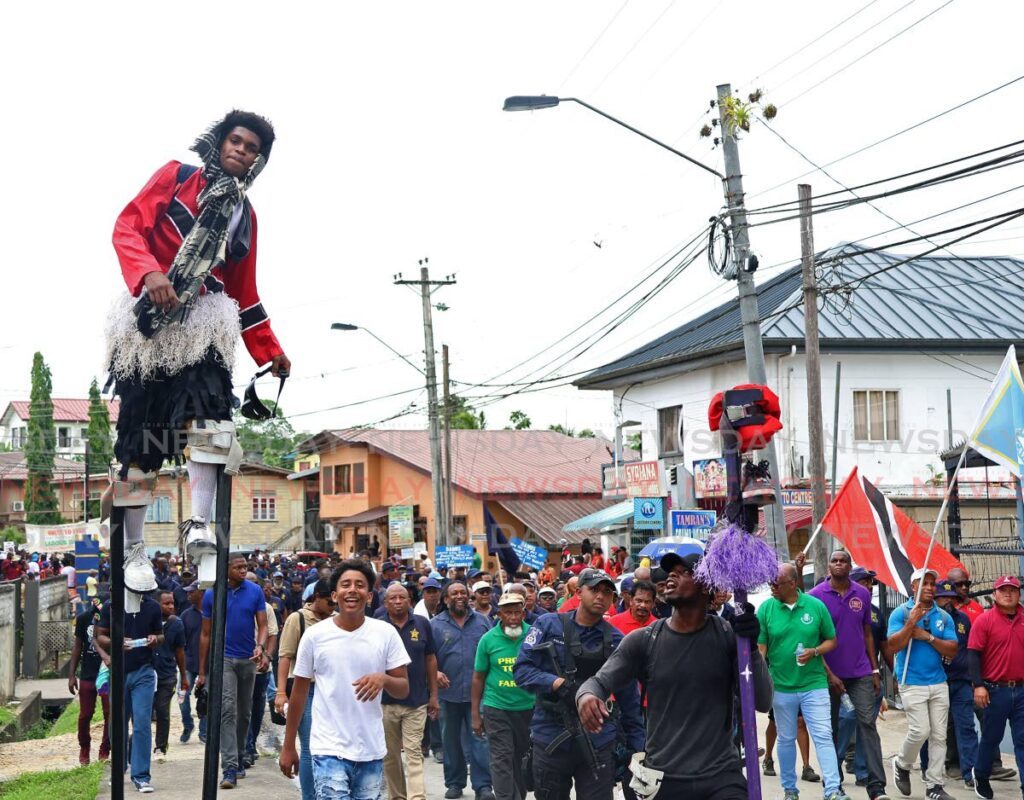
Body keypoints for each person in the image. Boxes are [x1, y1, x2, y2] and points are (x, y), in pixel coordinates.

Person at [106, 110, 289, 596]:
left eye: (252, 148)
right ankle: (134, 549)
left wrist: (270, 350)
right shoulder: (176, 176)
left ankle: (201, 526)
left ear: (257, 161)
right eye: (236, 140)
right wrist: (150, 274)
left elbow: (243, 291)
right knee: (141, 444)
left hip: (203, 324)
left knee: (212, 421)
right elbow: (128, 227)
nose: (241, 150)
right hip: (148, 322)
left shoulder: (244, 215)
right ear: (220, 140)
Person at [577, 551, 773, 799]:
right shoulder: (645, 640)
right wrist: (586, 696)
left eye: (685, 572)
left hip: (721, 777)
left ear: (706, 587)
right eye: (671, 572)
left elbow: (763, 700)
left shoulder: (727, 636)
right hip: (664, 779)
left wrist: (751, 648)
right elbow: (598, 682)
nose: (672, 576)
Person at [279, 560, 411, 800]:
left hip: (370, 750)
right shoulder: (314, 636)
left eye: (359, 585)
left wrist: (384, 679)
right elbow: (298, 695)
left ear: (369, 596)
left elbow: (403, 688)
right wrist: (289, 746)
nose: (352, 590)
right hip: (327, 748)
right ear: (334, 595)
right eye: (345, 585)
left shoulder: (385, 633)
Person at [514, 568, 645, 800]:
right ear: (577, 591)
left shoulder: (616, 641)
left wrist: (637, 748)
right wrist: (557, 684)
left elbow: (630, 700)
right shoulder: (548, 625)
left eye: (607, 592)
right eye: (594, 589)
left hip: (598, 740)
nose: (600, 596)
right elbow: (522, 671)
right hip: (550, 735)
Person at [757, 561, 846, 800]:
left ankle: (833, 790)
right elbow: (761, 647)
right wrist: (756, 674)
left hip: (814, 684)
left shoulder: (816, 606)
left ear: (793, 583)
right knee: (786, 738)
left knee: (823, 735)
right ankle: (790, 790)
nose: (772, 587)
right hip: (781, 687)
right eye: (770, 583)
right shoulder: (766, 609)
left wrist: (815, 651)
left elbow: (832, 640)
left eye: (776, 583)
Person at [805, 550, 888, 800]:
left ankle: (877, 788)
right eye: (835, 560)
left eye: (843, 561)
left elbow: (867, 634)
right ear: (829, 566)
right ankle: (834, 784)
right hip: (826, 674)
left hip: (861, 672)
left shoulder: (862, 593)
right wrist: (829, 673)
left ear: (850, 566)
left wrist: (875, 669)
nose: (839, 564)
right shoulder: (815, 597)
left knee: (867, 725)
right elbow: (813, 639)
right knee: (830, 730)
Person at [196, 554, 269, 789]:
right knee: (227, 711)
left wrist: (260, 646)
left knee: (244, 713)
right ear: (225, 569)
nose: (242, 570)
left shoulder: (255, 591)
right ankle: (228, 767)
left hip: (248, 658)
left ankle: (238, 757)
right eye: (237, 567)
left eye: (245, 567)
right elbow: (206, 634)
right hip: (224, 659)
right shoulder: (212, 594)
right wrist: (202, 671)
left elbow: (264, 625)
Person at [885, 567, 958, 800]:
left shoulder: (943, 616)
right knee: (920, 731)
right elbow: (893, 646)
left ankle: (934, 786)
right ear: (913, 587)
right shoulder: (901, 613)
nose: (928, 587)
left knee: (939, 736)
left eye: (931, 583)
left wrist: (927, 636)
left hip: (938, 681)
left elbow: (952, 649)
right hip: (911, 680)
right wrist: (910, 624)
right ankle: (902, 763)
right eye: (923, 583)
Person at [431, 582, 495, 800]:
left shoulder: (483, 622)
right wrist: (435, 673)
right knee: (450, 741)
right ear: (446, 599)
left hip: (479, 694)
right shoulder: (435, 625)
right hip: (447, 694)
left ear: (469, 597)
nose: (459, 596)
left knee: (480, 738)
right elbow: (427, 657)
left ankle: (483, 785)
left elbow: (492, 653)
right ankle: (455, 783)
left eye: (462, 593)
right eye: (454, 593)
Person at [95, 591, 164, 793]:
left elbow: (161, 635)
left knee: (142, 721)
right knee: (118, 723)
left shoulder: (152, 607)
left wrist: (155, 639)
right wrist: (115, 642)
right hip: (118, 671)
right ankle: (119, 769)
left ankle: (141, 775)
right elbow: (100, 636)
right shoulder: (111, 606)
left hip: (144, 670)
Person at [276, 579, 336, 800]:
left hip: (329, 691)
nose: (333, 606)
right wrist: (281, 692)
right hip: (305, 691)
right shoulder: (298, 619)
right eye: (329, 602)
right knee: (311, 749)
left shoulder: (335, 620)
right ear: (317, 597)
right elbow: (285, 656)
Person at [472, 592, 534, 800]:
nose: (513, 617)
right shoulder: (488, 640)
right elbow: (478, 677)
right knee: (501, 758)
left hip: (528, 708)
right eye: (508, 613)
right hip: (496, 707)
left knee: (519, 757)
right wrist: (475, 715)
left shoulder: (534, 636)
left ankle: (519, 795)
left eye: (517, 612)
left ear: (523, 614)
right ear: (499, 614)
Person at [968, 574, 1024, 800]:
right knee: (992, 738)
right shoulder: (985, 620)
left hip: (1021, 690)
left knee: (1023, 740)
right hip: (994, 690)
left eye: (1012, 589)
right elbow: (973, 654)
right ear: (994, 595)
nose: (1008, 593)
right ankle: (980, 774)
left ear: (1019, 594)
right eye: (1003, 590)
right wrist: (978, 686)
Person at [919, 579, 979, 790]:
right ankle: (928, 769)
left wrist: (974, 678)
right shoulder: (927, 619)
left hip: (961, 681)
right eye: (943, 597)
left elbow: (970, 649)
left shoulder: (962, 619)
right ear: (935, 598)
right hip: (935, 680)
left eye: (951, 598)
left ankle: (970, 772)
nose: (948, 601)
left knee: (966, 727)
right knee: (930, 729)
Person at [381, 583, 439, 800]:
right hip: (386, 702)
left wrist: (434, 696)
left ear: (409, 601)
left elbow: (431, 659)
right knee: (391, 755)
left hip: (417, 702)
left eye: (402, 598)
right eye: (393, 598)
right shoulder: (378, 626)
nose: (398, 602)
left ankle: (417, 797)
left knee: (414, 752)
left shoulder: (422, 624)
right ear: (386, 603)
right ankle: (397, 796)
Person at [69, 597, 111, 765]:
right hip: (87, 673)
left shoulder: (114, 617)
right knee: (85, 715)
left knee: (109, 713)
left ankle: (105, 749)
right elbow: (78, 646)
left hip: (107, 672)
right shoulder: (83, 619)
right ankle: (84, 748)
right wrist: (72, 675)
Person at [244, 582, 280, 768]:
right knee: (242, 707)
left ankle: (250, 743)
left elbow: (272, 634)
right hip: (240, 665)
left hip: (261, 667)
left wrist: (268, 655)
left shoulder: (266, 608)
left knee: (257, 708)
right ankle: (246, 747)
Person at [152, 591, 188, 762]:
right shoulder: (149, 621)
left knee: (162, 710)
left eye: (172, 603)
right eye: (166, 603)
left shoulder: (177, 624)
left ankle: (160, 746)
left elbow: (179, 651)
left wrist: (184, 677)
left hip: (167, 675)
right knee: (143, 712)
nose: (171, 606)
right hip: (148, 673)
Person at [178, 582, 204, 744]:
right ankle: (188, 724)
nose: (188, 595)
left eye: (191, 592)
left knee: (206, 699)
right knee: (182, 696)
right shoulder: (186, 615)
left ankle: (205, 731)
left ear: (200, 593)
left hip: (208, 665)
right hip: (189, 664)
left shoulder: (212, 612)